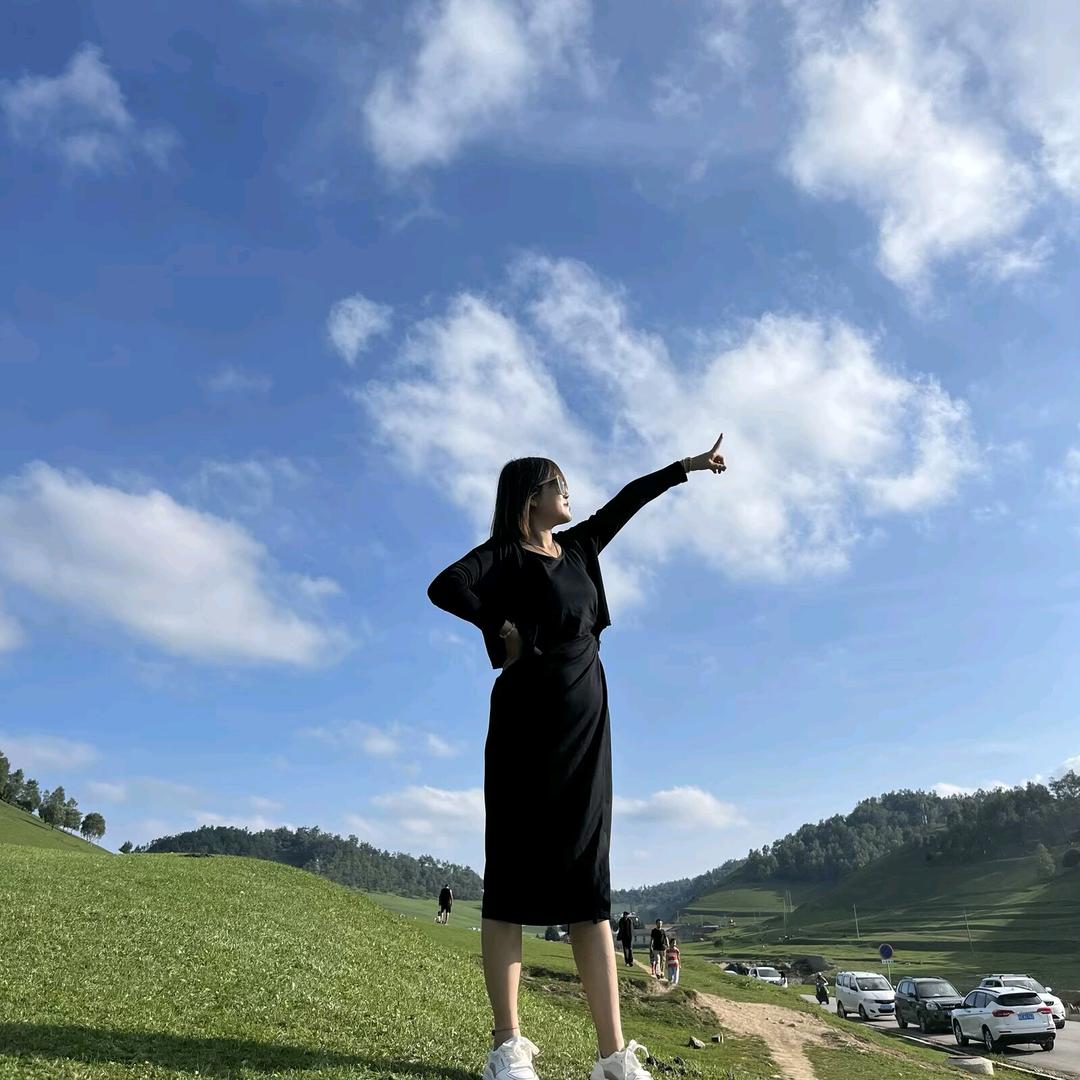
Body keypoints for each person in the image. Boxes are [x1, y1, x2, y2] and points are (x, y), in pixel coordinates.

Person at [427, 438, 727, 1080]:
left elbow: (627, 501)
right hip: (524, 726)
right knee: (510, 882)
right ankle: (508, 1048)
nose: (568, 491)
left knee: (589, 888)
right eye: (557, 483)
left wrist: (686, 468)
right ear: (530, 496)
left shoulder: (582, 547)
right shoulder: (503, 555)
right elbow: (445, 586)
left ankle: (612, 1058)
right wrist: (499, 627)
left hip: (586, 727)